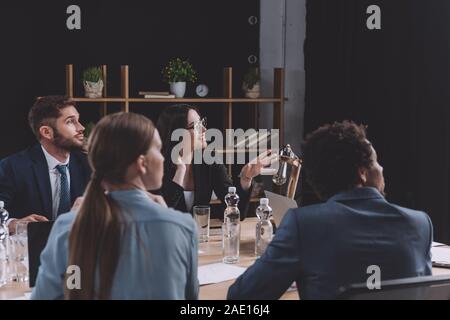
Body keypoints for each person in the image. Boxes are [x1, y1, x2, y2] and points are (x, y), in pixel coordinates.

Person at [227, 120, 433, 300]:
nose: (381, 168)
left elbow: (241, 297)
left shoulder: (304, 225)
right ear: (362, 173)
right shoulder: (420, 224)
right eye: (376, 161)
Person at [31, 112, 198, 300]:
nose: (162, 158)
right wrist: (166, 214)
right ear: (142, 163)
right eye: (158, 150)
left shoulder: (66, 227)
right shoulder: (182, 226)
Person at [156, 104, 274, 217]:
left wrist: (246, 178)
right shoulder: (157, 165)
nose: (204, 129)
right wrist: (181, 171)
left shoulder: (209, 160)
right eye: (195, 126)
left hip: (200, 235)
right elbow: (160, 213)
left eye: (201, 123)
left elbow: (235, 212)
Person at [0, 96, 91, 233]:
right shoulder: (13, 167)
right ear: (47, 132)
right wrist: (13, 224)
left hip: (79, 248)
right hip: (29, 250)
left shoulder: (89, 164)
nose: (81, 127)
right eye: (71, 122)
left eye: (78, 120)